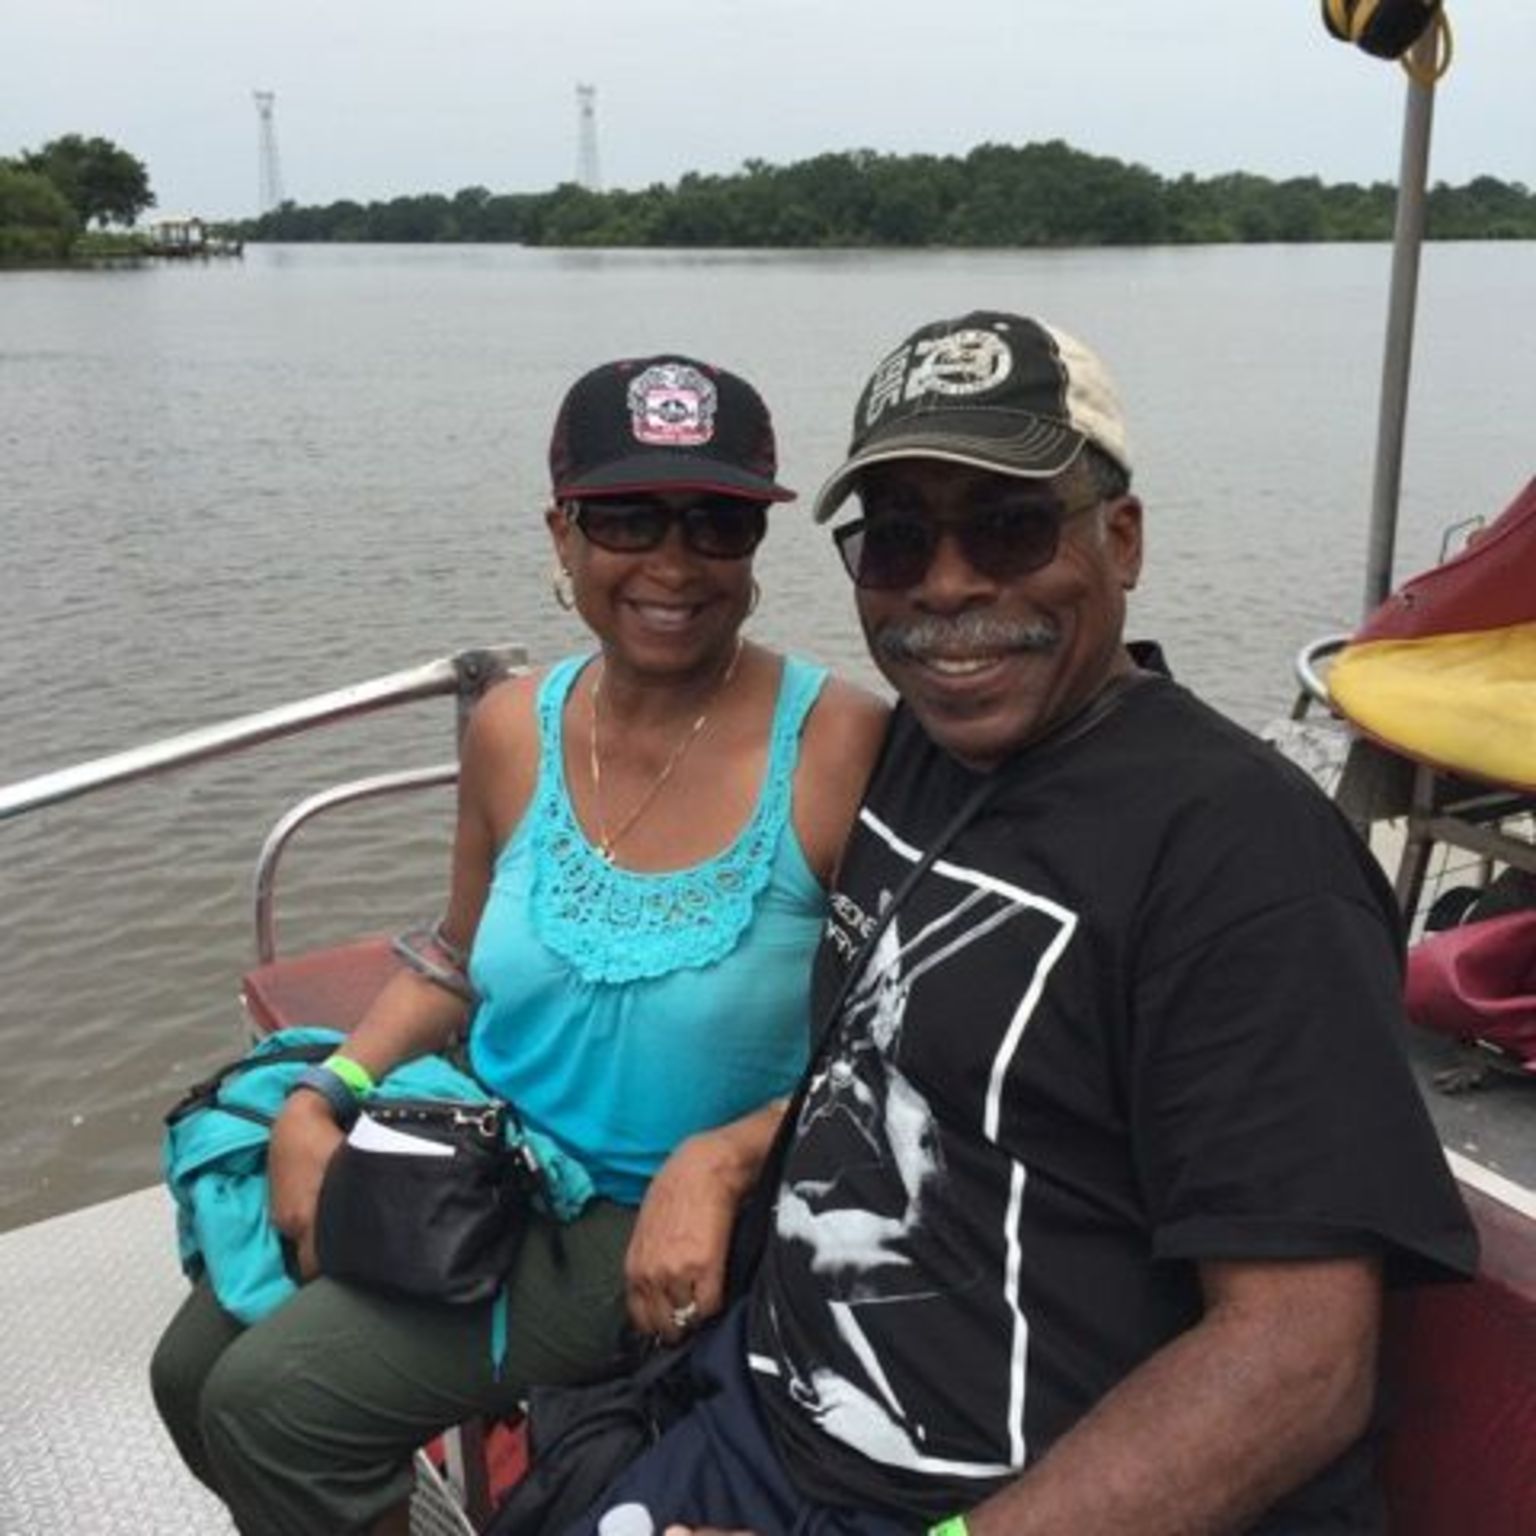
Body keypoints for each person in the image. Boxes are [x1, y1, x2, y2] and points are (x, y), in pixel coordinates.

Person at [571, 311, 1478, 1536]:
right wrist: (726, 1154)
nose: (948, 585)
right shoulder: (913, 758)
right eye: (896, 542)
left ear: (1122, 539)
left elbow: (1297, 1363)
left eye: (1008, 525)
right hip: (765, 1414)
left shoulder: (1238, 863)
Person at [149, 352, 888, 1536]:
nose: (672, 561)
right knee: (191, 1378)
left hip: (648, 1217)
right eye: (626, 517)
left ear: (757, 544)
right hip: (483, 1150)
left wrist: (735, 1155)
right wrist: (326, 1094)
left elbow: (897, 1034)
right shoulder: (513, 728)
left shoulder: (844, 744)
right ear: (562, 531)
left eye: (717, 523)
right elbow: (453, 953)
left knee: (279, 1407)